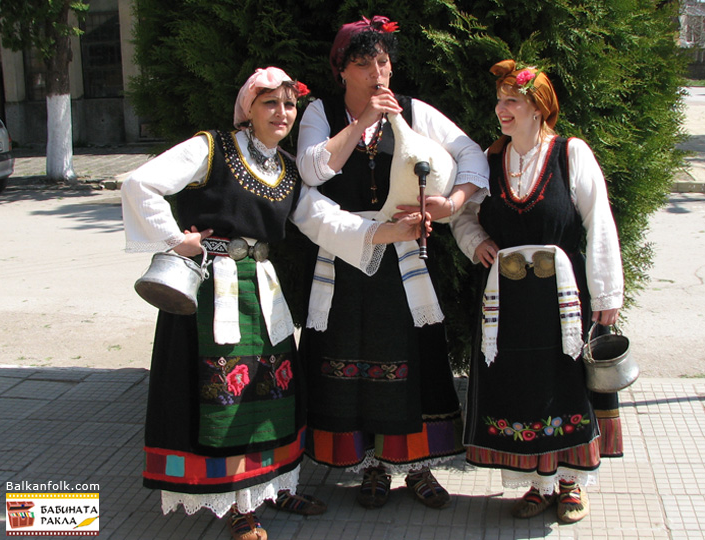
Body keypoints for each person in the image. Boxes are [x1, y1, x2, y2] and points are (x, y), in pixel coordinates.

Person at [293, 15, 490, 510]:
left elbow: (471, 153)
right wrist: (361, 122)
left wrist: (451, 203)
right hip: (343, 259)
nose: (378, 73)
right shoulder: (321, 112)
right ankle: (371, 467)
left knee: (410, 355)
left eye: (383, 61)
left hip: (404, 258)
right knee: (350, 358)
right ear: (342, 71)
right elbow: (312, 168)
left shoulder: (414, 111)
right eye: (364, 64)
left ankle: (416, 466)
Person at [121, 67, 326, 540]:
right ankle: (238, 503)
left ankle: (273, 486)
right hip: (214, 289)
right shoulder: (210, 147)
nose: (282, 113)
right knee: (226, 393)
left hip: (262, 289)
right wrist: (176, 239)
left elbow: (323, 221)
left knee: (272, 387)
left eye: (289, 104)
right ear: (248, 108)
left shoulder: (287, 167)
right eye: (269, 103)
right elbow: (139, 184)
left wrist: (385, 232)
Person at [451, 59, 624, 523]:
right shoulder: (488, 161)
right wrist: (477, 242)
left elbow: (599, 221)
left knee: (563, 383)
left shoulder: (570, 153)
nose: (501, 109)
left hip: (560, 299)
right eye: (500, 100)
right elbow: (461, 214)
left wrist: (607, 296)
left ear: (538, 109)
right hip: (505, 301)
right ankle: (536, 481)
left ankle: (569, 483)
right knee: (519, 383)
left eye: (513, 101)